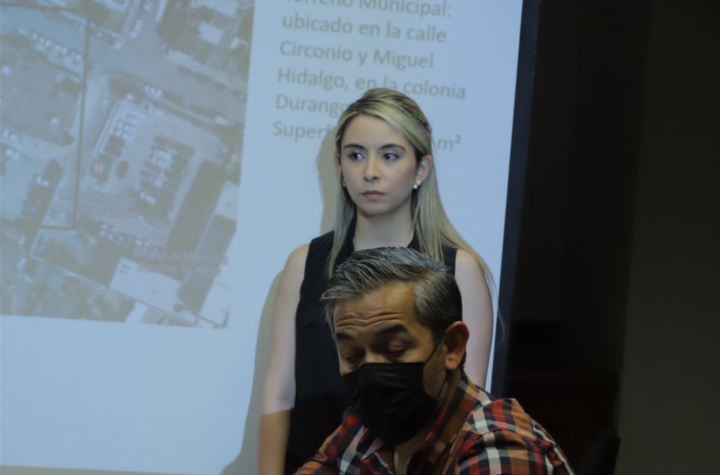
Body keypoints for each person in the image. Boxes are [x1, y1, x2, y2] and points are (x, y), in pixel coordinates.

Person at [259, 89, 495, 475]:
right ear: (339, 165)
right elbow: (279, 394)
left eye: (389, 155)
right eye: (356, 155)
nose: (370, 171)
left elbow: (464, 406)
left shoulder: (460, 270)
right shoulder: (304, 264)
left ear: (421, 169)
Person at [296, 247, 574, 475]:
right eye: (351, 355)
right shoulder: (364, 429)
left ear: (452, 346)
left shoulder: (498, 451)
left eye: (394, 349)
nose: (370, 372)